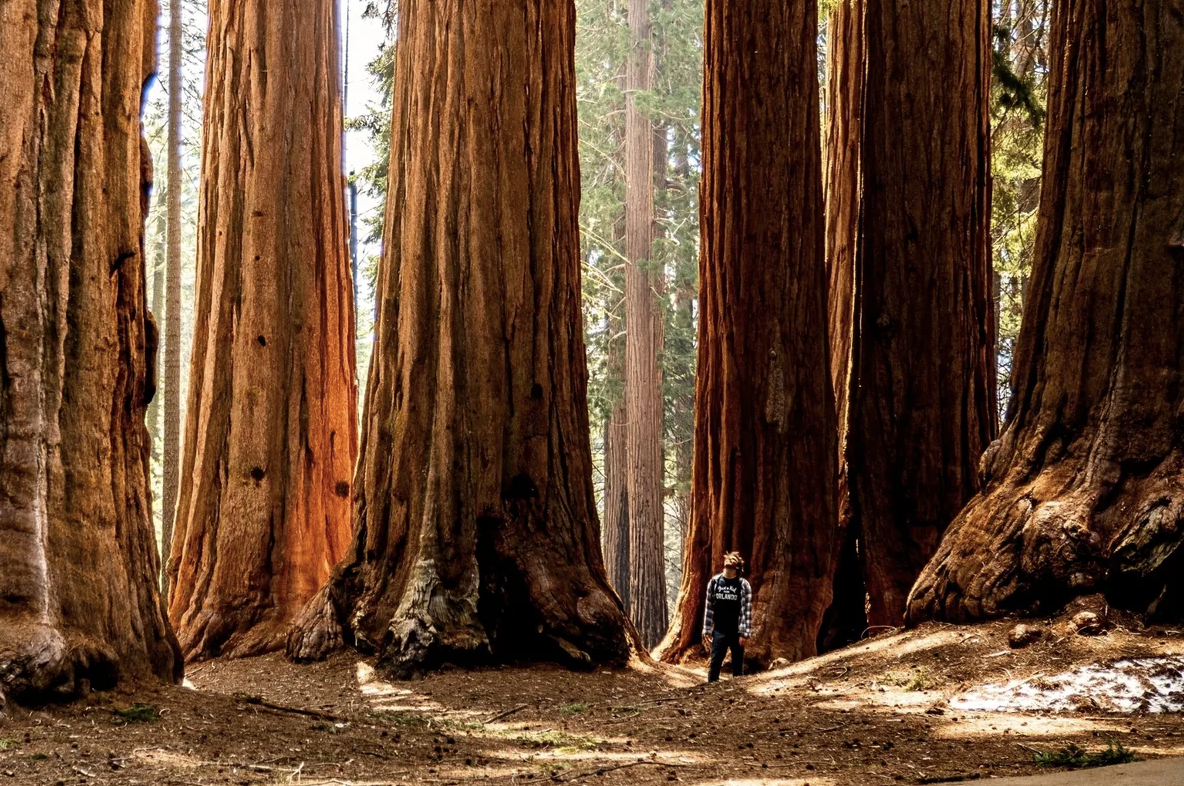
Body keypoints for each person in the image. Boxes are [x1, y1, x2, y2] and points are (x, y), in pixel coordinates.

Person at [702, 552, 752, 683]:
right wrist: (707, 629)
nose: (728, 569)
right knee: (715, 663)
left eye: (731, 567)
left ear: (737, 569)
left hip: (737, 631)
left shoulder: (743, 585)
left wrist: (744, 633)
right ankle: (710, 690)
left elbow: (746, 610)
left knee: (737, 666)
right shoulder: (714, 583)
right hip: (719, 630)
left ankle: (738, 692)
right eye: (727, 566)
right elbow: (709, 607)